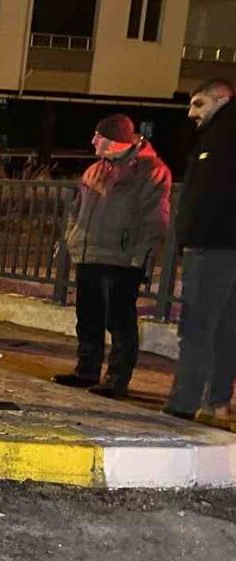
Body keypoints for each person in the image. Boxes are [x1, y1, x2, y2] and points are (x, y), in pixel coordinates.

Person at [53, 114, 172, 399]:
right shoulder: (95, 170)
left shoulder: (151, 171)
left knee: (119, 321)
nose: (93, 141)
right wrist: (72, 238)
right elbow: (76, 210)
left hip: (122, 259)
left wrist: (139, 257)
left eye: (99, 137)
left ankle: (117, 379)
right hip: (89, 253)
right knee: (88, 317)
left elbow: (155, 219)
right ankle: (86, 371)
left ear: (116, 142)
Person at [165, 79, 236, 425]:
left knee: (197, 326)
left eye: (198, 104)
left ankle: (183, 402)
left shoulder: (221, 138)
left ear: (222, 99)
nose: (191, 112)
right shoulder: (218, 136)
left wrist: (189, 236)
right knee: (225, 326)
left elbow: (206, 196)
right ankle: (217, 400)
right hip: (223, 246)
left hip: (213, 247)